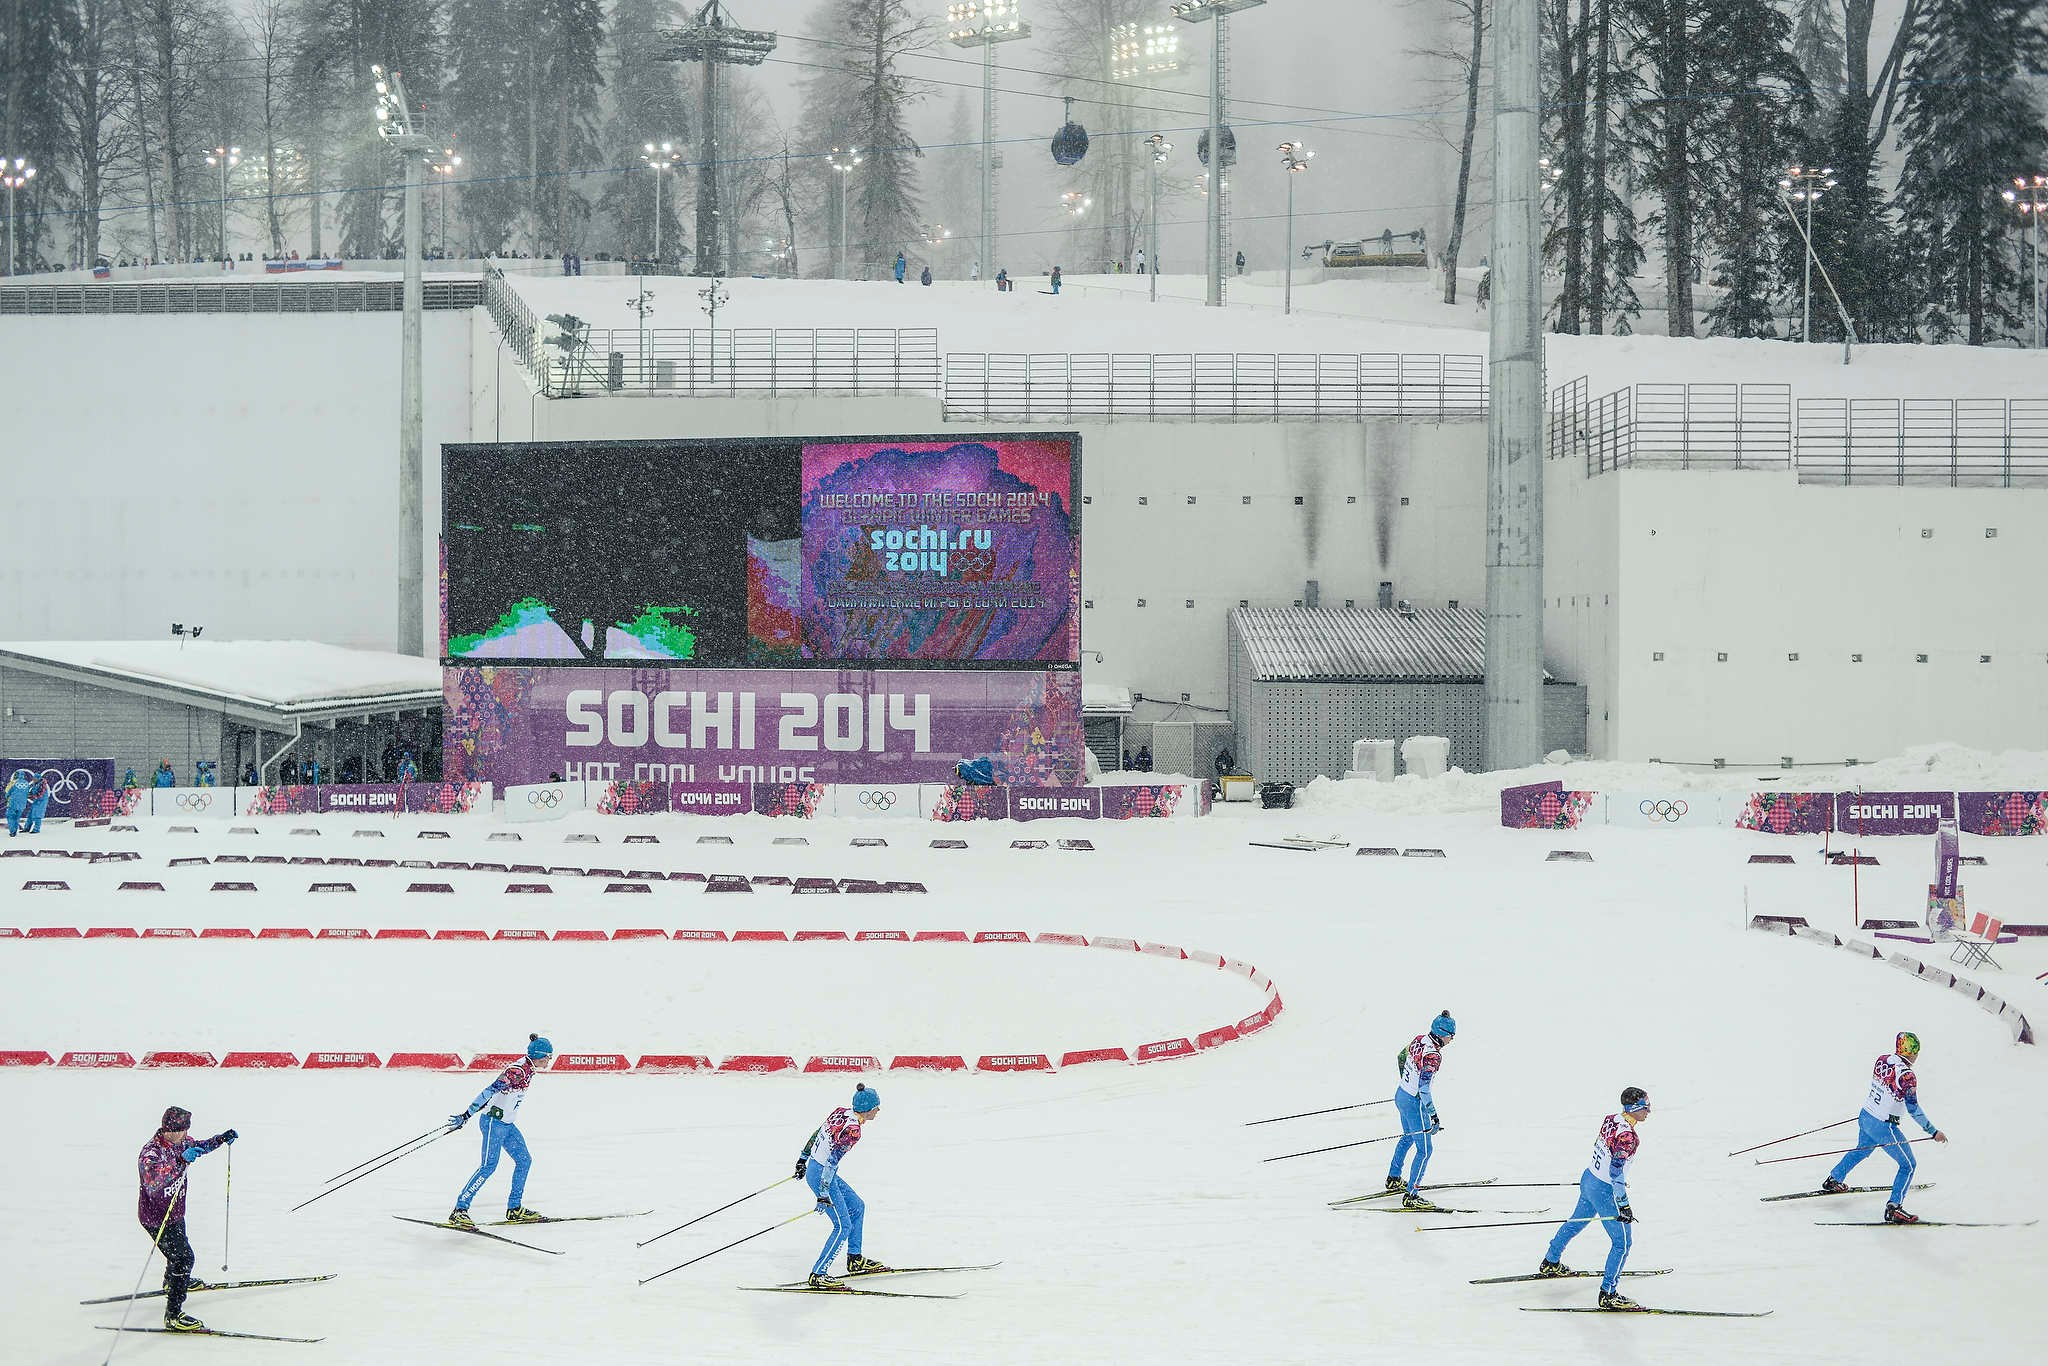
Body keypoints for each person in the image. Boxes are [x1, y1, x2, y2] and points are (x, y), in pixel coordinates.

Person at [1538, 1087, 1651, 1309]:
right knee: (1623, 1243)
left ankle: (1551, 1261)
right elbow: (1616, 1173)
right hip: (1604, 1190)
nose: (1649, 1110)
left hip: (1589, 1179)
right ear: (1634, 1108)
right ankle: (1608, 1294)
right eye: (1646, 1106)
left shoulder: (1612, 1119)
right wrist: (1624, 1205)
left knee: (1576, 1223)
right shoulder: (1628, 1137)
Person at [1820, 1031, 1946, 1222]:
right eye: (1917, 1052)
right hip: (1884, 1126)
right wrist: (1932, 1131)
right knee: (1908, 1165)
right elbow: (1913, 1109)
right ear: (1912, 1053)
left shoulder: (1882, 1060)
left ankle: (1834, 1179)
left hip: (1866, 1116)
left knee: (1862, 1151)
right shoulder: (1907, 1076)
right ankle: (1895, 1207)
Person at [137, 1106, 237, 1332]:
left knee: (178, 1252)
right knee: (184, 1258)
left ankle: (171, 1281)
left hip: (175, 1213)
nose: (185, 1135)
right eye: (182, 1130)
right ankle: (173, 1315)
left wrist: (221, 1139)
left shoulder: (182, 1143)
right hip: (156, 1218)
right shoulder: (151, 1153)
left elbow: (200, 1146)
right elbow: (153, 1184)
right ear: (170, 1129)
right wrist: (180, 1161)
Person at [445, 1034, 554, 1227]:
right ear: (539, 1055)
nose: (549, 1060)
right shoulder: (517, 1071)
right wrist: (466, 1115)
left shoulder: (529, 1069)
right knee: (488, 1166)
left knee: (524, 1160)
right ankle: (459, 1210)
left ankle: (514, 1209)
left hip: (507, 1125)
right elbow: (489, 1091)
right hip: (493, 1124)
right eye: (548, 1056)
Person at [795, 1083, 889, 1288]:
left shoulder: (841, 1112)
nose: (878, 1110)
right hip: (823, 1175)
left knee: (857, 1206)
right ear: (867, 1109)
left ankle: (855, 1259)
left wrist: (803, 1158)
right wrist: (823, 1194)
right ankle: (818, 1274)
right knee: (842, 1226)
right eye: (876, 1107)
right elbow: (831, 1162)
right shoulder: (853, 1131)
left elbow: (817, 1133)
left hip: (818, 1170)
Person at [1384, 1011, 1456, 1209]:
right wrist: (1433, 1116)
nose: (1452, 1040)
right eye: (1451, 1035)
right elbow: (1424, 1089)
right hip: (1414, 1103)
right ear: (1442, 1033)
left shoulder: (1420, 1039)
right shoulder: (1433, 1055)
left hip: (1401, 1095)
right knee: (1425, 1150)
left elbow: (1401, 1056)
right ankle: (1411, 1196)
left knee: (1407, 1136)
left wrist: (1406, 1082)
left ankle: (1393, 1178)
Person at [4, 770, 32, 836]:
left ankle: (12, 831)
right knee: (17, 818)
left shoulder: (13, 783)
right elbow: (27, 793)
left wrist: (7, 796)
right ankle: (15, 830)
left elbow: (7, 791)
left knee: (10, 817)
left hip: (12, 803)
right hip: (22, 804)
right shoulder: (27, 783)